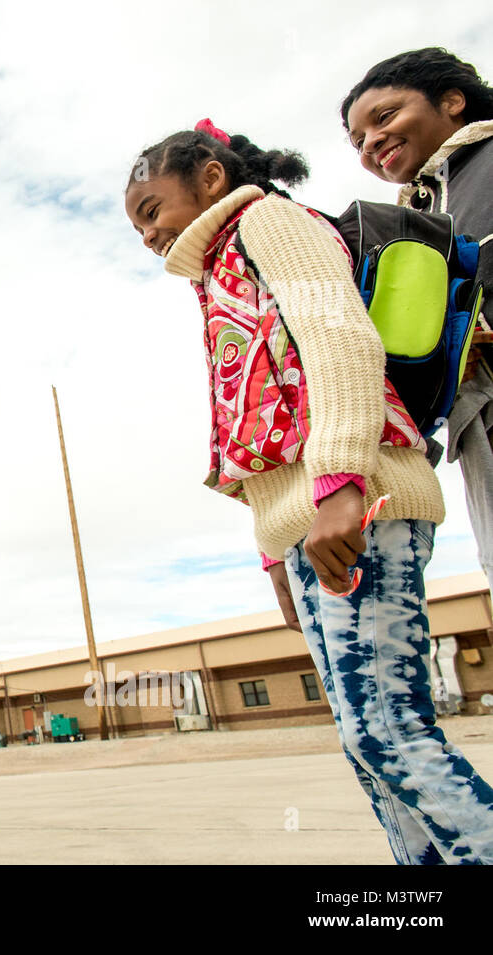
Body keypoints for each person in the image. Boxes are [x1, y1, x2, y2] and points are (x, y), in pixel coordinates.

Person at [124, 120, 493, 864]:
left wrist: (341, 484)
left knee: (389, 729)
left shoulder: (268, 221)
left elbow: (338, 340)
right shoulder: (216, 274)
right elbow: (251, 422)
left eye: (150, 210)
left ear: (210, 179)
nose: (147, 234)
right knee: (368, 747)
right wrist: (273, 554)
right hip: (309, 522)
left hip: (362, 500)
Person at [342, 48, 493, 593]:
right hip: (477, 420)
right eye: (358, 141)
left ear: (452, 101)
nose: (371, 143)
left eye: (383, 118)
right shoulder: (425, 215)